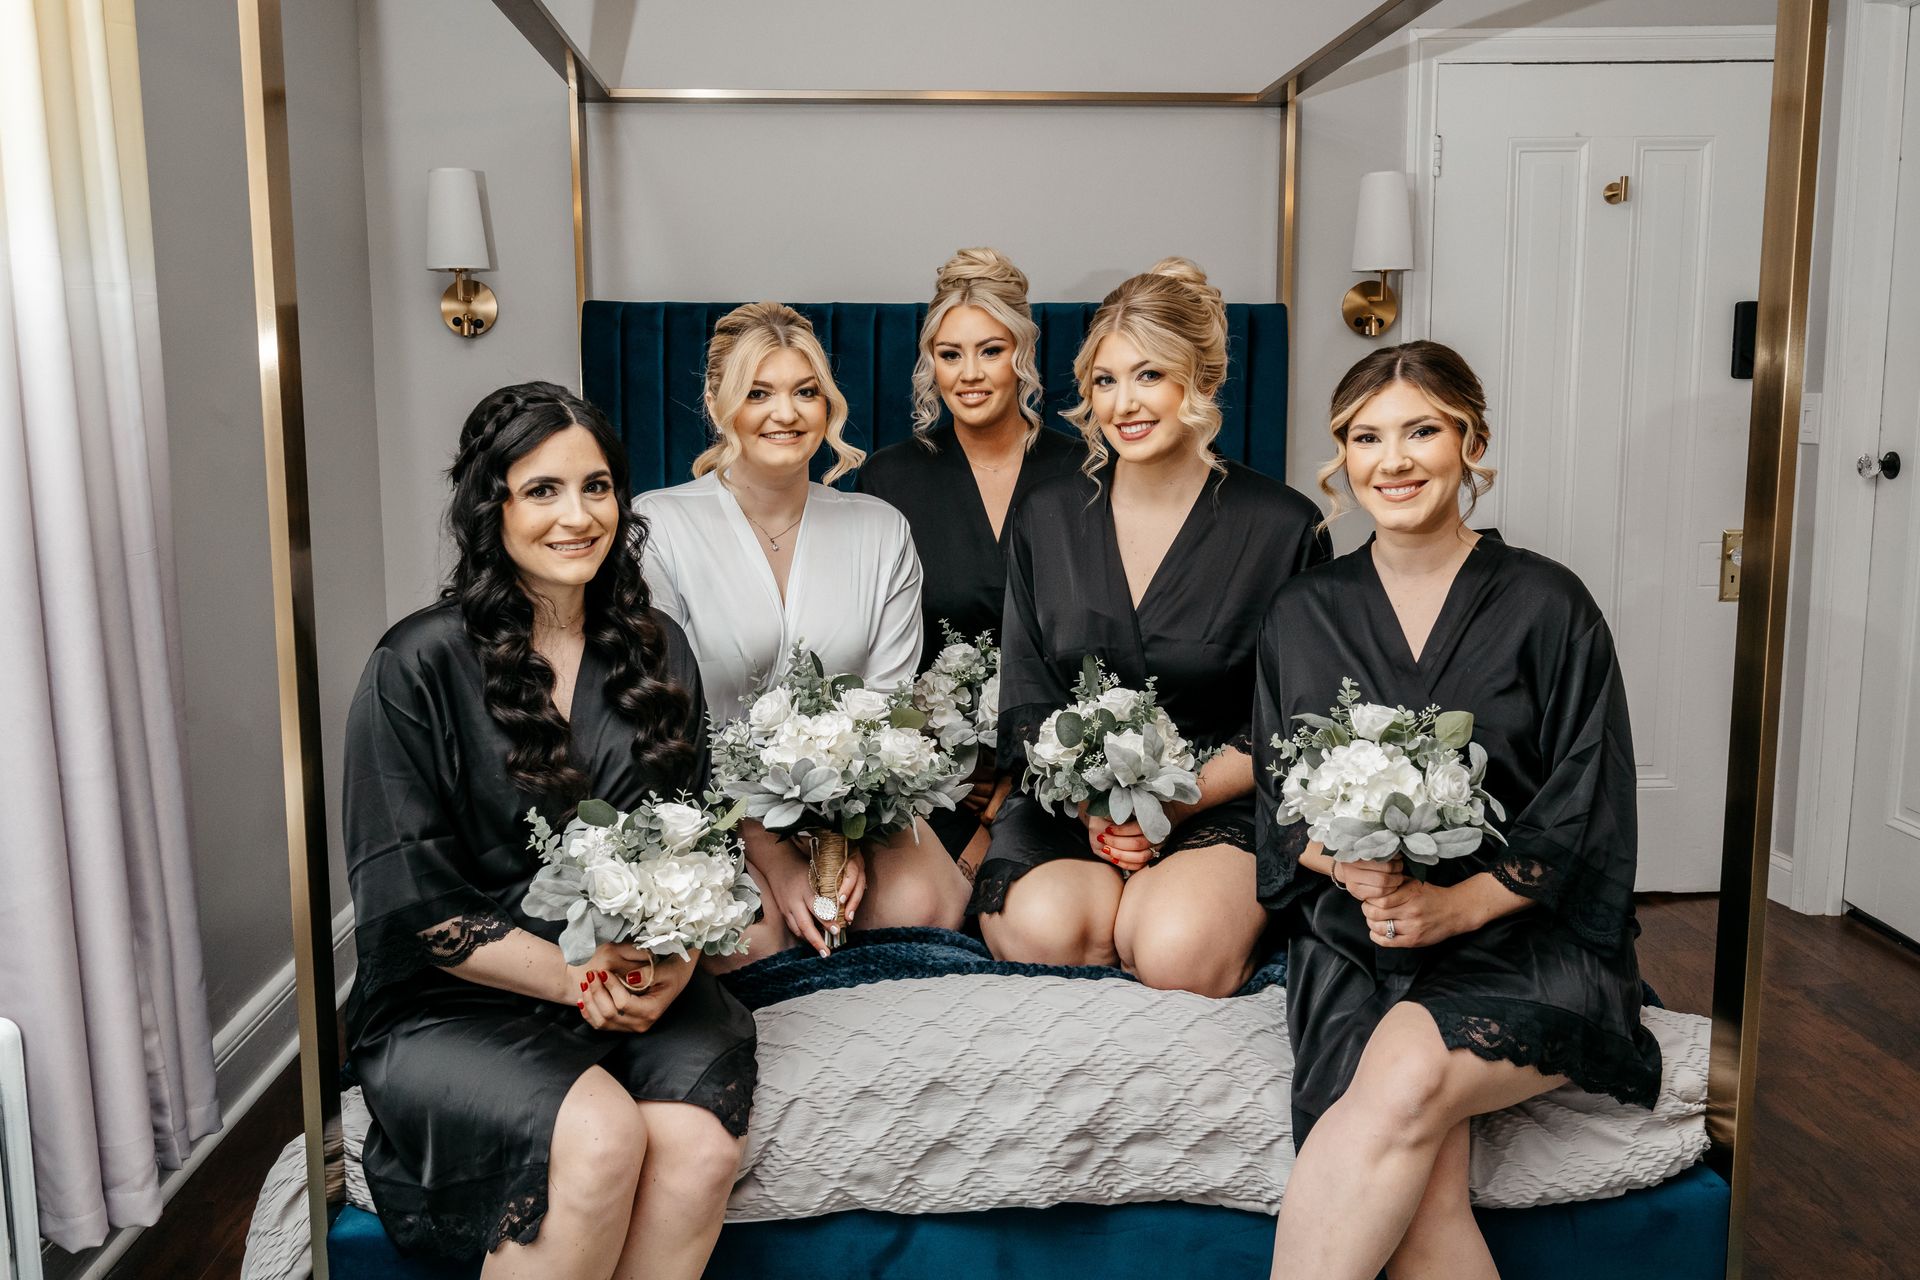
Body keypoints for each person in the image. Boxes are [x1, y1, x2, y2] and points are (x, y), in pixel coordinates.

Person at [1252, 342, 1662, 1279]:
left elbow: (1587, 798)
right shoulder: (1302, 612)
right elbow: (1280, 809)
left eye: (1422, 431)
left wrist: (1461, 904)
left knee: (1401, 1086)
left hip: (1523, 932)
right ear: (1342, 459)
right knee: (1425, 1189)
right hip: (1359, 941)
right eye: (1367, 437)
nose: (1393, 460)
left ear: (1471, 442)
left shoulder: (1549, 604)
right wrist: (1342, 866)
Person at [342, 383, 754, 1280]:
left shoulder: (658, 648)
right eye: (544, 491)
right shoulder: (414, 665)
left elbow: (707, 844)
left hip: (637, 981)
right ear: (492, 505)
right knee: (601, 1138)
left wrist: (674, 965)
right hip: (463, 997)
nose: (579, 516)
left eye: (597, 487)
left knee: (698, 1148)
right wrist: (583, 978)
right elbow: (414, 903)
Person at [974, 259, 1327, 995]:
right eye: (1105, 380)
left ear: (1199, 381)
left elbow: (1294, 715)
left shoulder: (1283, 527)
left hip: (1215, 802)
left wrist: (1171, 800)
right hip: (1075, 806)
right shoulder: (1046, 519)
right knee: (1042, 931)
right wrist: (1095, 803)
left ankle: (1171, 917)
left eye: (1149, 376)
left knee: (1173, 949)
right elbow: (1029, 693)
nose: (1123, 403)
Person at [635, 302, 970, 959]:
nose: (784, 414)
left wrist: (844, 835)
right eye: (758, 393)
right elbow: (667, 726)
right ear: (716, 400)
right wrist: (772, 852)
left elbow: (891, 707)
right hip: (713, 803)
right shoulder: (659, 528)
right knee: (744, 937)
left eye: (805, 392)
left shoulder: (880, 530)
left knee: (922, 904)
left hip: (853, 805)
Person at [857, 247, 1083, 877]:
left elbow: (1102, 639)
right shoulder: (889, 478)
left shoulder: (1085, 472)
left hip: (1058, 764)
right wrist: (949, 765)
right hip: (927, 769)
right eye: (950, 354)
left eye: (990, 350)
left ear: (1023, 355)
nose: (969, 374)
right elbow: (875, 648)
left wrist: (1015, 773)